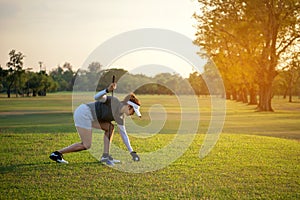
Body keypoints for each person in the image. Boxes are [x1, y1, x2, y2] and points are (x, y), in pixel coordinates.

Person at [49, 82, 141, 165]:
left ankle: (105, 156)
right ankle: (57, 153)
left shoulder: (120, 117)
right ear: (129, 106)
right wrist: (107, 90)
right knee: (86, 145)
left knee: (110, 127)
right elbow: (97, 97)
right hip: (84, 113)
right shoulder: (113, 101)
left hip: (91, 118)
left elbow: (124, 135)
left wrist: (132, 152)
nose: (133, 114)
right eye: (133, 111)